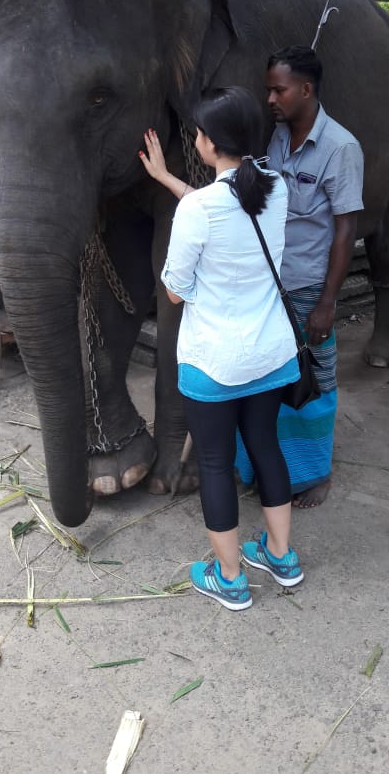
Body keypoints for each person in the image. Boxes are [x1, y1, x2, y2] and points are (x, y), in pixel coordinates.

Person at [139, 87, 304, 611]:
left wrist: (177, 200)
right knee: (265, 447)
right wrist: (168, 180)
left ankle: (229, 577)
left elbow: (174, 289)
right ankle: (281, 556)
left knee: (214, 462)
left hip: (214, 362)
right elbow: (227, 202)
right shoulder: (275, 187)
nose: (195, 138)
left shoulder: (200, 211)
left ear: (209, 143)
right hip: (272, 356)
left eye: (199, 132)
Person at [237, 44, 364, 509]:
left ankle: (316, 474)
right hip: (269, 282)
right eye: (268, 89)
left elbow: (346, 229)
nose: (270, 98)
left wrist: (327, 303)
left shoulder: (341, 148)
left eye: (278, 90)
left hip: (310, 287)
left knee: (315, 381)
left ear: (306, 90)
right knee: (270, 378)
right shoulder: (274, 139)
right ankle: (261, 467)